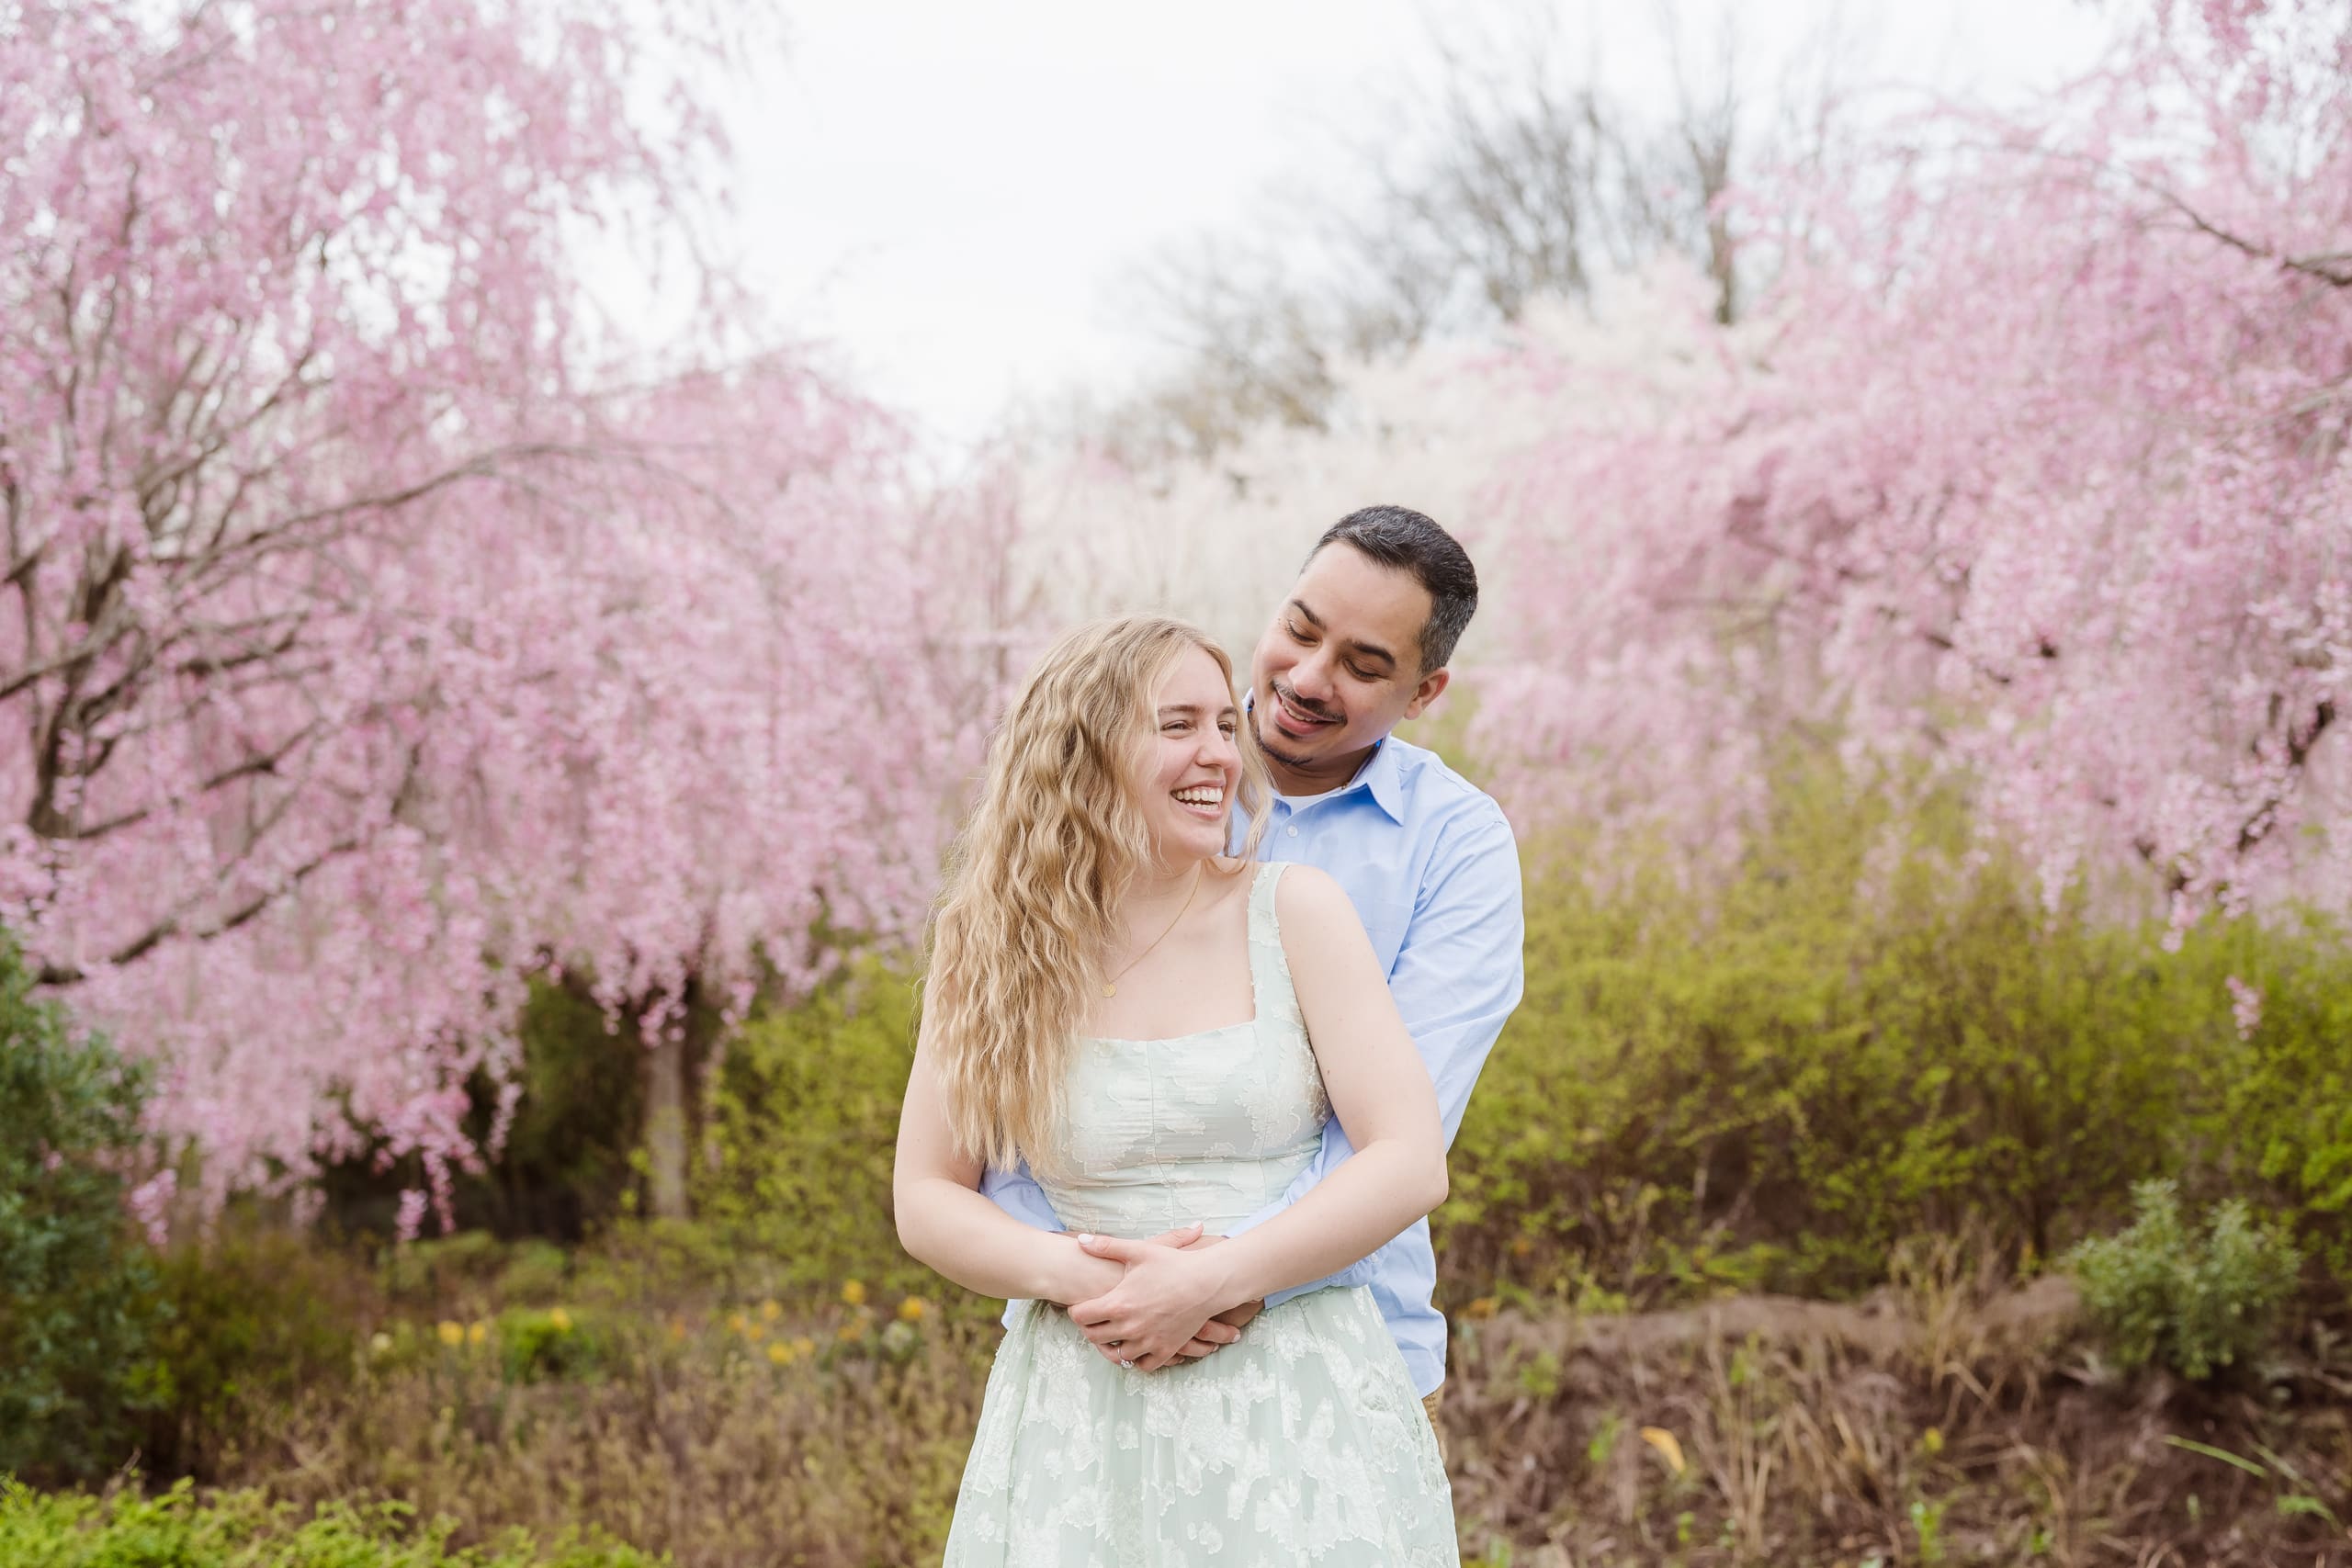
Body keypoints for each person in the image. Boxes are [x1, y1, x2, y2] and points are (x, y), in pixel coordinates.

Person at [895, 614, 1459, 1563]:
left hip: (1297, 1404)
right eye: (1177, 725)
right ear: (1083, 751)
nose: (1220, 756)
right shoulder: (989, 947)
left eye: (1224, 725)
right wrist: (1084, 1281)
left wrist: (1215, 1279)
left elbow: (1409, 1159)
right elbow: (925, 1194)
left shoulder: (1295, 911)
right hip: (1083, 1407)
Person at [983, 504, 1525, 1438]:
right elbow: (1006, 1092)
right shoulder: (1120, 785)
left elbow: (1400, 1134)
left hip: (1350, 1353)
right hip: (1093, 1347)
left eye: (1363, 666)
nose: (1308, 678)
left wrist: (1216, 1280)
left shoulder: (1456, 844)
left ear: (1424, 691)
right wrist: (1103, 1275)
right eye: (1300, 630)